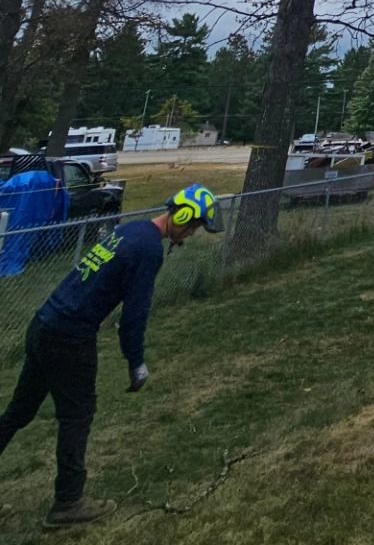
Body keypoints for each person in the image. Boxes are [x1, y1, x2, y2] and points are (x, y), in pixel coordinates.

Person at [0, 184, 223, 528]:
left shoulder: (131, 230)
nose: (192, 234)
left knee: (19, 411)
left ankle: (67, 499)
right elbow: (134, 316)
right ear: (181, 216)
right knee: (77, 415)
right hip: (69, 337)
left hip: (44, 323)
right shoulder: (148, 249)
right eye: (193, 226)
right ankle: (68, 502)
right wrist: (136, 362)